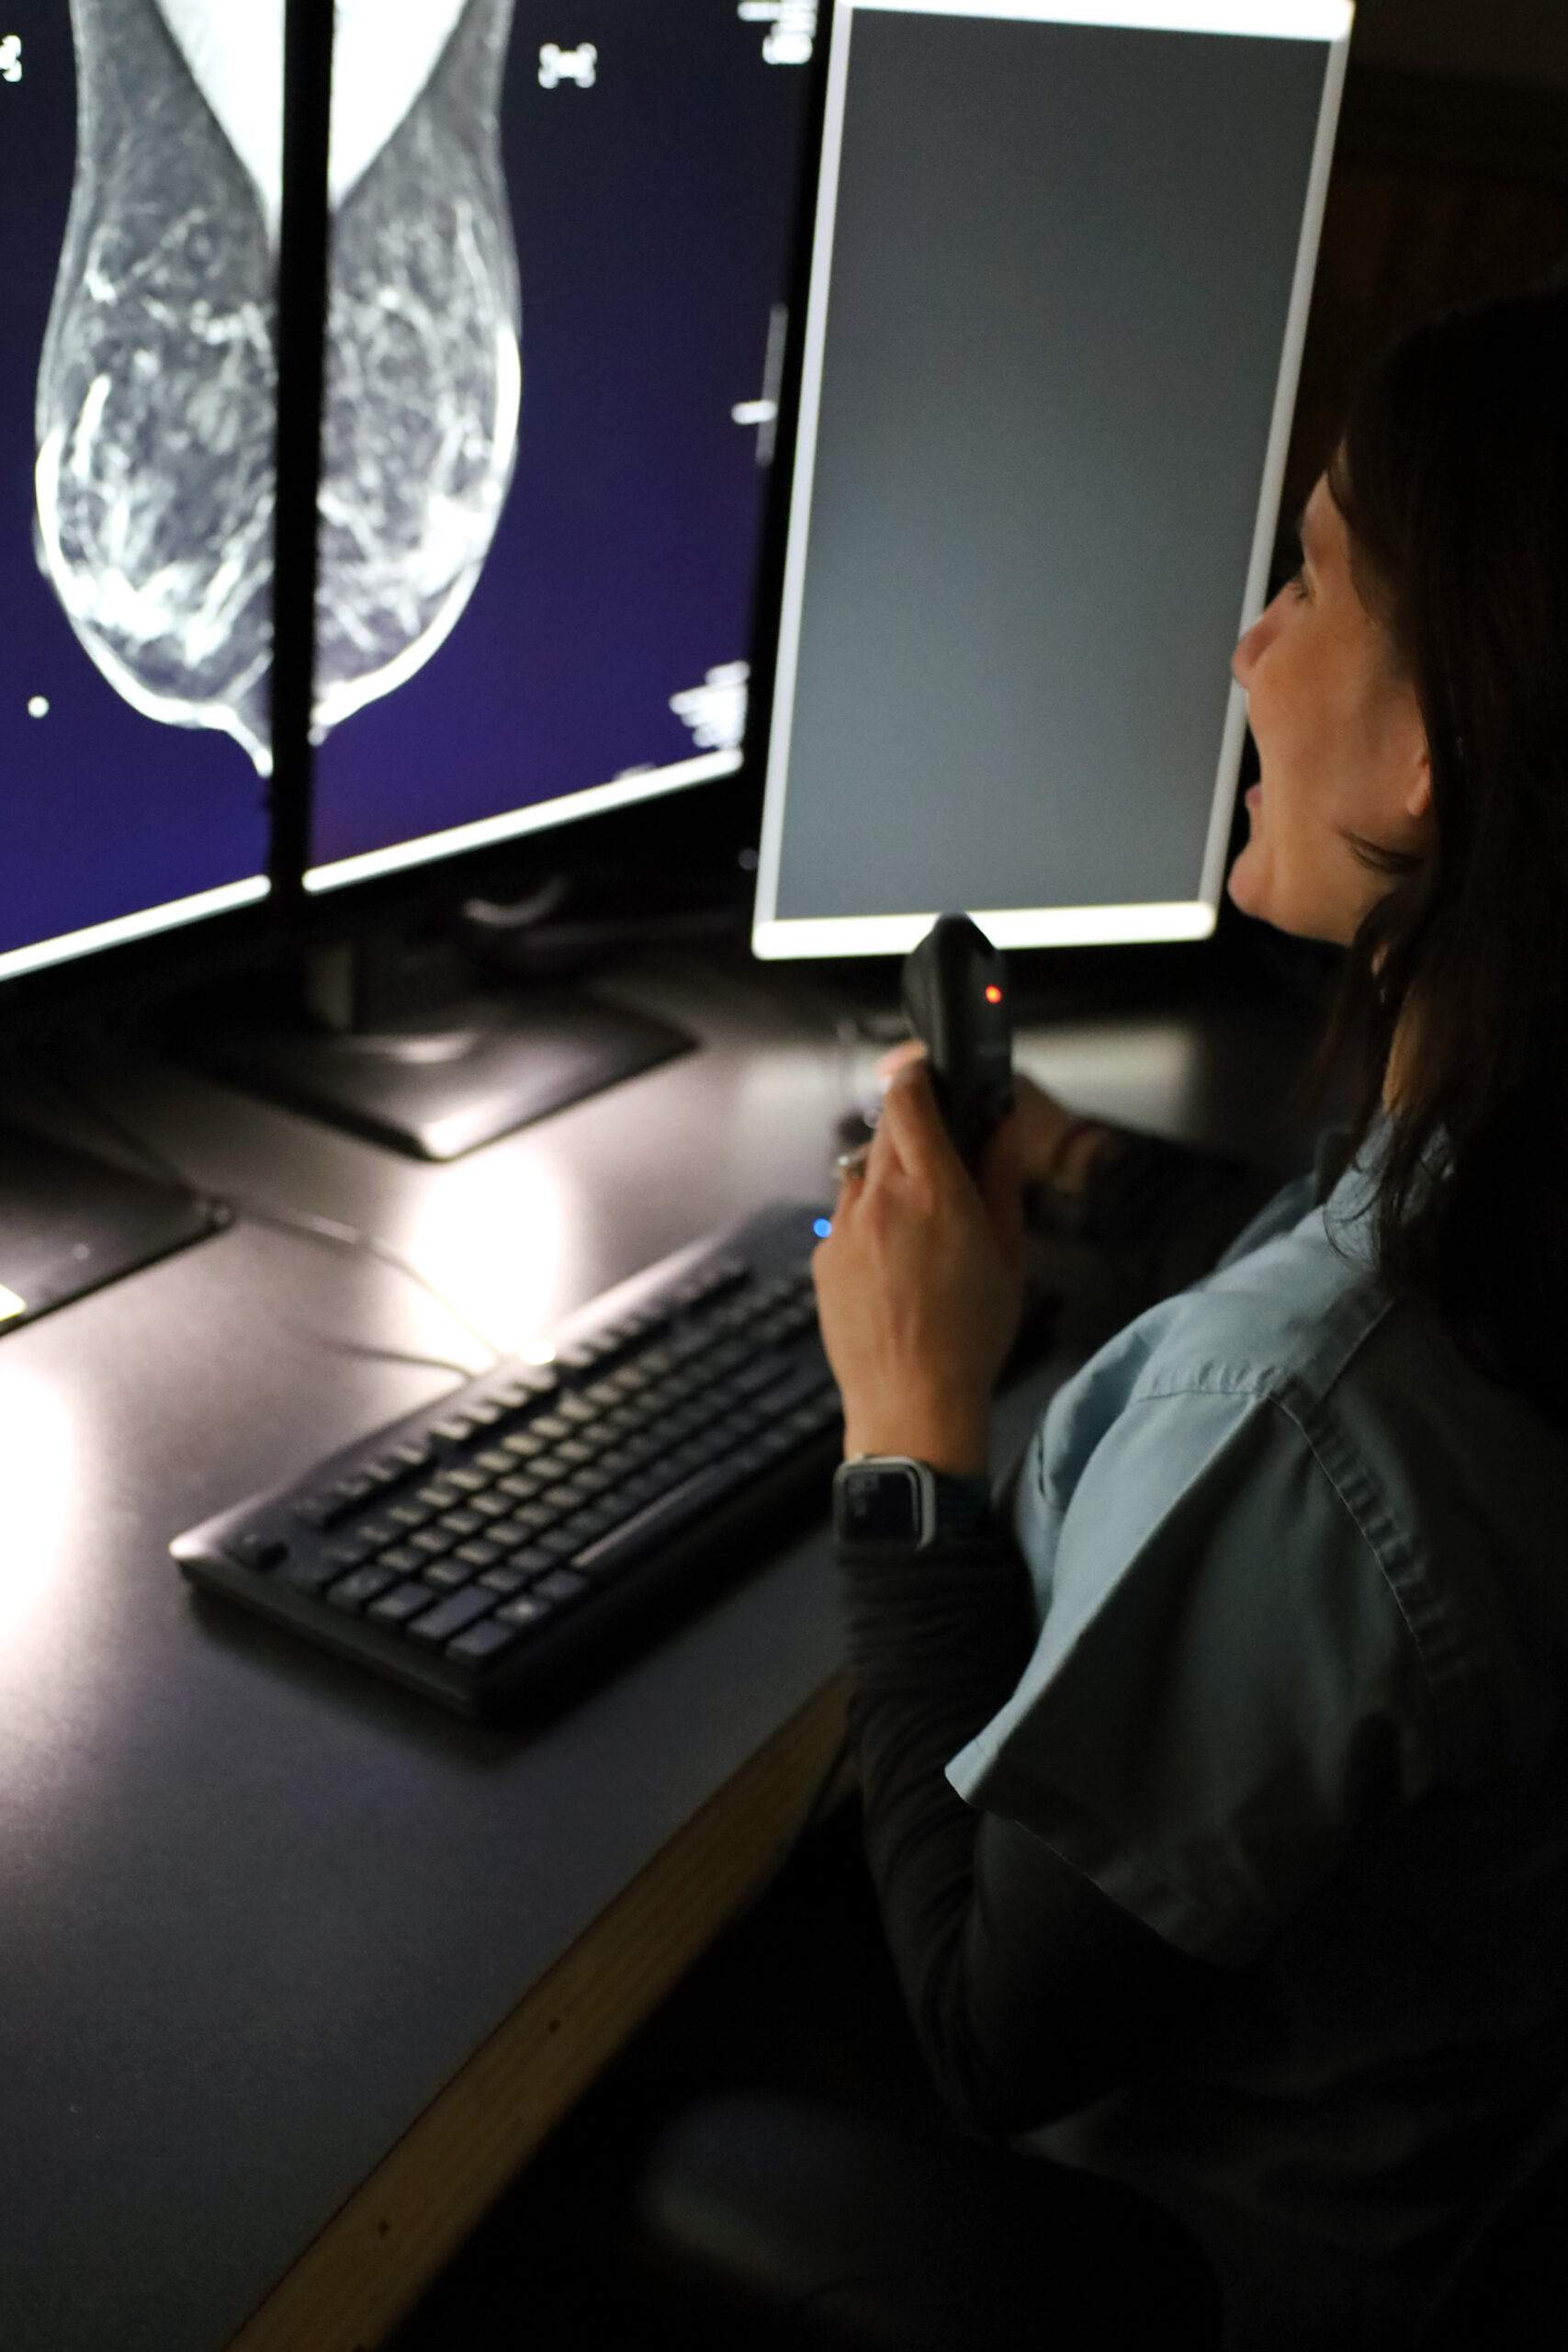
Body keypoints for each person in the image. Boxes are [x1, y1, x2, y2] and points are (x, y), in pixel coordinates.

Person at [810, 280, 1568, 2350]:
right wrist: (1067, 1169)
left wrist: (907, 1427)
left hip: (1182, 2267)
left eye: (1310, 578)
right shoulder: (1504, 1165)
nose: (1247, 645)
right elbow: (1347, 1255)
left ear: (1428, 750)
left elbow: (986, 2026)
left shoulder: (1292, 1426)